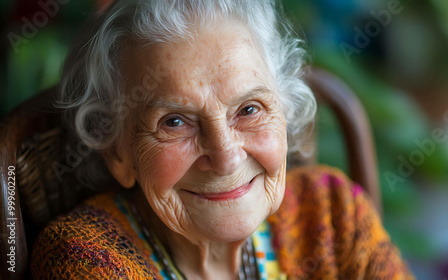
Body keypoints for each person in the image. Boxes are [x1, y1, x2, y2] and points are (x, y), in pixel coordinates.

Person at [31, 0, 414, 279]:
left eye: (249, 109)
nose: (226, 157)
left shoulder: (331, 212)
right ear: (118, 151)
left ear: (284, 111)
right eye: (176, 121)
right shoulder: (87, 259)